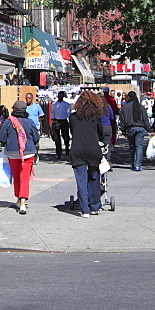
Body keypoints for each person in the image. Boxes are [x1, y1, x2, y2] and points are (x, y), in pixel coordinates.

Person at [0, 99, 40, 215]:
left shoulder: (8, 122)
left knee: (16, 177)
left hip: (12, 153)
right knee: (25, 177)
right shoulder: (30, 122)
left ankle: (18, 199)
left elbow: (1, 137)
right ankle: (22, 202)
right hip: (28, 152)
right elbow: (36, 137)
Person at [69, 90, 105, 218]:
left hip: (77, 149)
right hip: (92, 149)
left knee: (81, 180)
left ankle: (84, 209)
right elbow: (101, 132)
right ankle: (94, 205)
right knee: (94, 177)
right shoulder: (96, 117)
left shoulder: (73, 117)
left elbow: (72, 131)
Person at [119, 91, 153, 171]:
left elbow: (122, 120)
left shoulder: (125, 107)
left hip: (130, 128)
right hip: (140, 129)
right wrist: (150, 130)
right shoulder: (141, 107)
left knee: (132, 147)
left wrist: (123, 131)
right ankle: (138, 165)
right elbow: (145, 119)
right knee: (139, 146)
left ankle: (133, 163)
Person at [50, 91, 71, 159]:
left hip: (64, 121)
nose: (60, 97)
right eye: (59, 96)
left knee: (66, 137)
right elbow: (52, 113)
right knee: (56, 138)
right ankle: (58, 152)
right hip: (56, 121)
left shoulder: (66, 104)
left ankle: (67, 148)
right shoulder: (54, 104)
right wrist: (52, 123)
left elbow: (69, 114)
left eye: (61, 96)